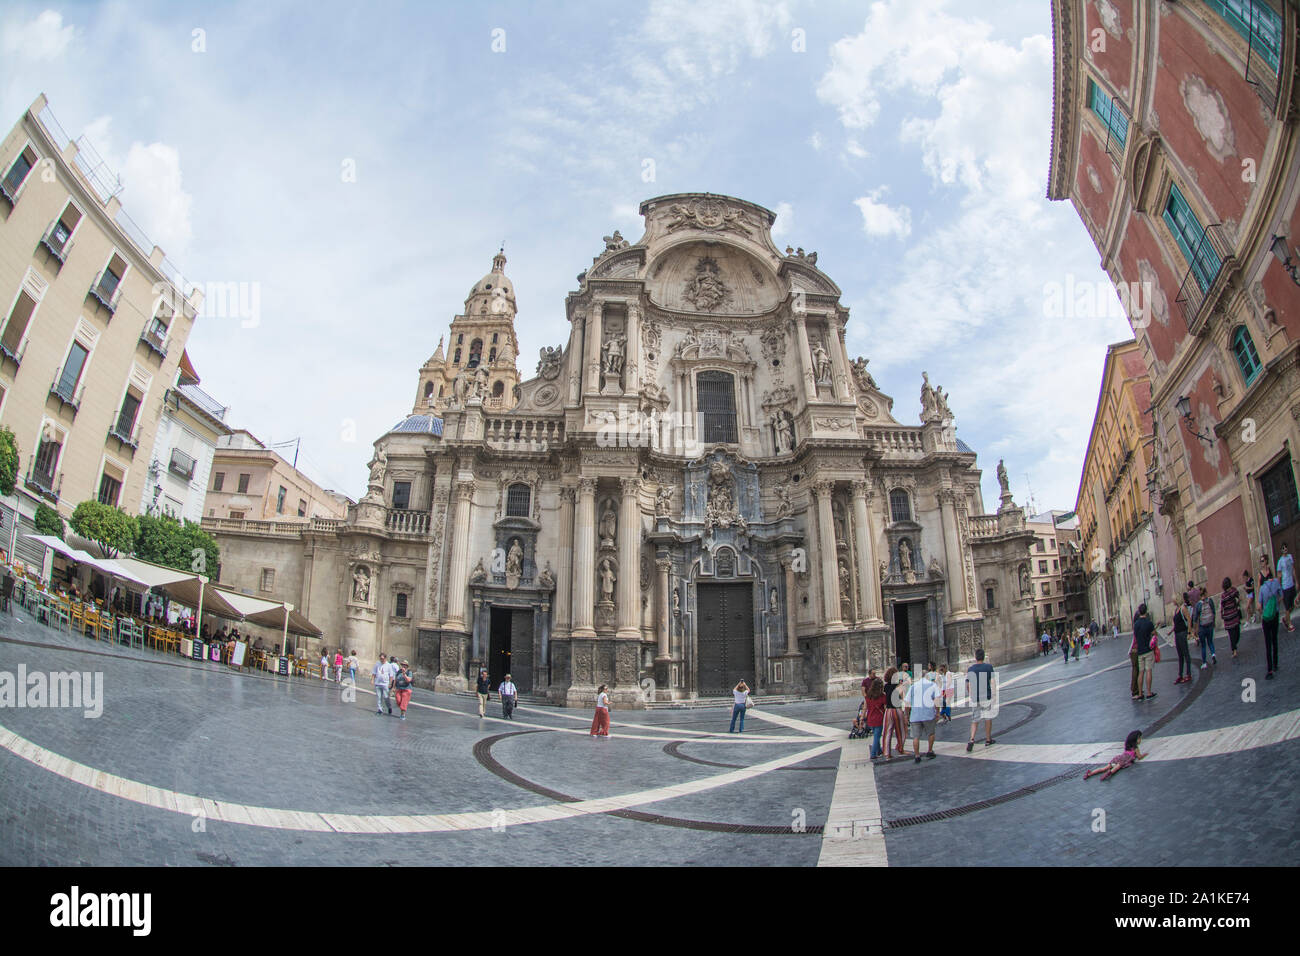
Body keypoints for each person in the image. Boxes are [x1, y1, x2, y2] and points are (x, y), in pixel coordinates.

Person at [903, 663, 940, 763]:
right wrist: (937, 712)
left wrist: (906, 715)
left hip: (915, 715)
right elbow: (937, 700)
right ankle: (930, 750)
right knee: (931, 733)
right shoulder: (932, 685)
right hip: (928, 714)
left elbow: (907, 702)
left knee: (916, 737)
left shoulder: (913, 686)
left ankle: (917, 755)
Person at [966, 648, 996, 751]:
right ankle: (988, 739)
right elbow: (992, 682)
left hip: (975, 698)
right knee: (988, 718)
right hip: (986, 696)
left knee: (975, 720)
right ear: (983, 657)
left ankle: (972, 739)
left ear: (975, 657)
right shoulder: (988, 667)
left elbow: (968, 684)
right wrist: (994, 696)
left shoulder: (970, 669)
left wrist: (971, 695)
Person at [1259, 569, 1283, 679]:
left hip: (1266, 618)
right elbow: (1281, 596)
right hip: (1275, 615)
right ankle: (1276, 664)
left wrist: (1263, 610)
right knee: (1275, 639)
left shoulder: (1262, 588)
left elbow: (1259, 606)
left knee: (1267, 643)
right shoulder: (1277, 583)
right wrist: (1276, 603)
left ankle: (1269, 669)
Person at [1133, 603, 1157, 701]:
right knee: (1149, 671)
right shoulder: (1149, 623)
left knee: (1141, 672)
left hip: (1140, 651)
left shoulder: (1136, 624)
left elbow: (1135, 635)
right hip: (1148, 649)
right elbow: (1154, 633)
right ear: (1146, 611)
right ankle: (1149, 692)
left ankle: (1139, 693)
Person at [881, 666, 906, 760]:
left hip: (888, 710)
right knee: (901, 730)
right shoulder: (898, 685)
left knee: (887, 732)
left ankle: (886, 753)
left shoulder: (886, 686)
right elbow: (902, 696)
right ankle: (900, 748)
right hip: (897, 709)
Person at [1169, 591, 1193, 685]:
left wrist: (1189, 632)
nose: (1172, 601)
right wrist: (1171, 631)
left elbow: (1189, 619)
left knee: (1186, 653)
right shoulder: (1176, 610)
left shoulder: (1183, 608)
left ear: (1176, 599)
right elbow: (1176, 623)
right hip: (1177, 634)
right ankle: (1180, 675)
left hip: (1182, 633)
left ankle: (1188, 673)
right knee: (1180, 655)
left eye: (1173, 599)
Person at [1193, 589, 1217, 669]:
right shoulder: (1210, 601)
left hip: (1202, 627)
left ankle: (1204, 663)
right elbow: (1213, 612)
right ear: (1206, 593)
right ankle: (1213, 654)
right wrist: (1214, 622)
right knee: (1210, 642)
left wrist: (1195, 630)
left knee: (1203, 645)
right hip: (1210, 625)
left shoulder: (1198, 605)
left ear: (1200, 595)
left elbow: (1195, 618)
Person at [1220, 576, 1242, 661]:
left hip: (1230, 617)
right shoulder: (1232, 591)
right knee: (1235, 634)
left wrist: (1222, 614)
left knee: (1233, 635)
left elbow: (1222, 606)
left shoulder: (1227, 593)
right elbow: (1239, 598)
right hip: (1232, 616)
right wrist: (1236, 604)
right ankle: (1234, 650)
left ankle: (1234, 648)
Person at [864, 678, 886, 760]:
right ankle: (873, 754)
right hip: (879, 718)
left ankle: (879, 750)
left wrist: (862, 718)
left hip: (870, 718)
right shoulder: (882, 696)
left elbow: (865, 708)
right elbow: (885, 707)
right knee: (877, 737)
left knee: (876, 735)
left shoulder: (868, 696)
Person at [1279, 544, 1296, 622]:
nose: (1285, 548)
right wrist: (1280, 589)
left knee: (1293, 605)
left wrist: (1297, 581)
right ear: (1281, 550)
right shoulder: (1280, 561)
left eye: (1286, 547)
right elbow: (1279, 575)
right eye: (1283, 548)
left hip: (1291, 584)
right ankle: (1289, 624)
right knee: (1287, 606)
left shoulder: (1290, 557)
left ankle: (1286, 619)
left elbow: (1293, 569)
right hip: (1285, 586)